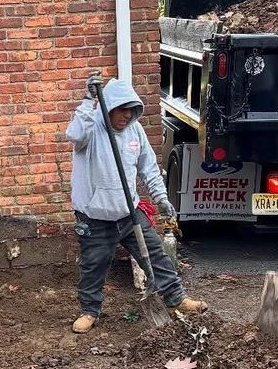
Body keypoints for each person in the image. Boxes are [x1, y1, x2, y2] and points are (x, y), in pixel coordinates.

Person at [65, 75, 206, 333]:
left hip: (128, 213)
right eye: (122, 111)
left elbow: (148, 168)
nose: (127, 116)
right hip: (94, 216)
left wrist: (161, 197)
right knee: (93, 265)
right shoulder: (90, 128)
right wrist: (88, 100)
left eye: (132, 111)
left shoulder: (134, 131)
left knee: (156, 256)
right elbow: (74, 134)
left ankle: (176, 298)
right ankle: (89, 311)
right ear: (109, 108)